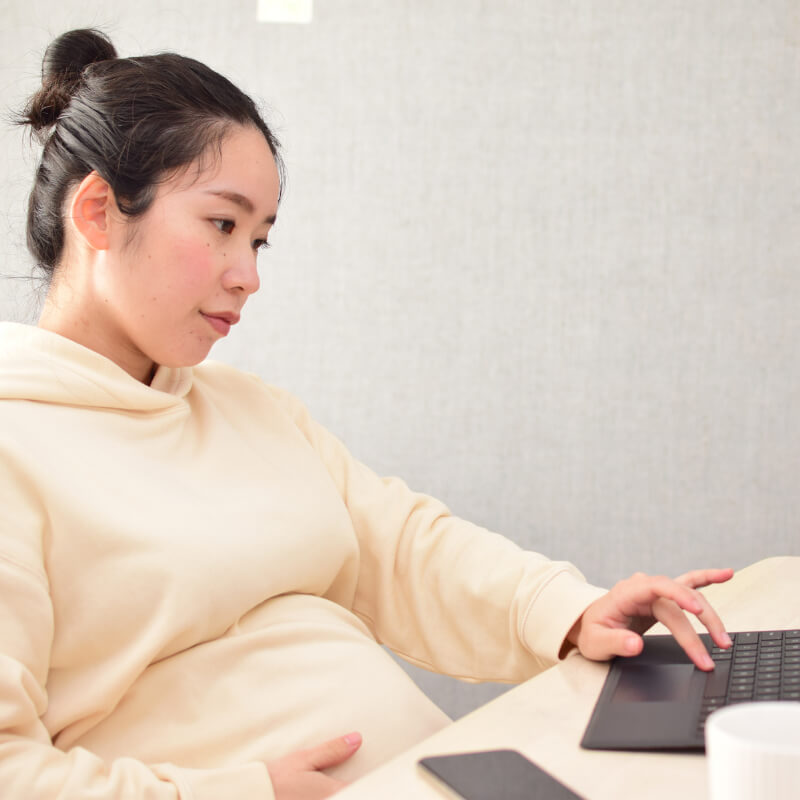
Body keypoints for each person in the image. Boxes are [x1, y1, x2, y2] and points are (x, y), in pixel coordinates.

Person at [0, 28, 733, 800]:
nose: (249, 276)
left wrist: (572, 610)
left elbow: (404, 548)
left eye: (261, 241)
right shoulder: (16, 445)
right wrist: (238, 791)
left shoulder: (250, 411)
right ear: (97, 214)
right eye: (223, 224)